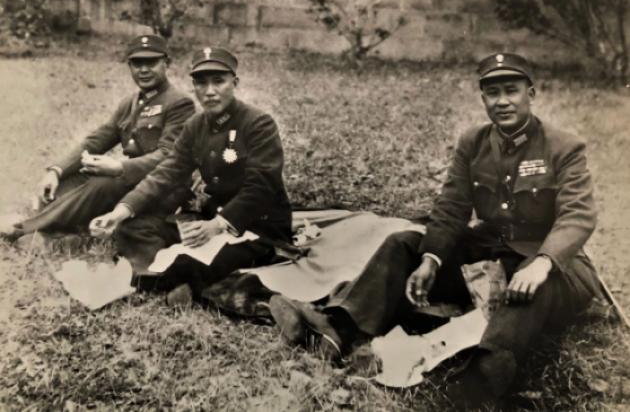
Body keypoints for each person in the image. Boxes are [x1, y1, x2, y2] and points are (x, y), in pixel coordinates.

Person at [269, 53, 603, 407]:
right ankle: (338, 330)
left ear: (531, 93)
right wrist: (432, 259)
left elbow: (578, 215)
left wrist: (544, 262)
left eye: (512, 90)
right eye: (492, 93)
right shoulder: (473, 143)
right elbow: (451, 208)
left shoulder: (563, 146)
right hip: (490, 254)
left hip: (552, 267)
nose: (502, 101)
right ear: (483, 99)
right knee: (405, 243)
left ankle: (480, 381)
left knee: (528, 288)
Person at [89, 46, 292, 307]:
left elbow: (261, 187)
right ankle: (170, 278)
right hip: (209, 221)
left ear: (235, 83)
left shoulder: (258, 124)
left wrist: (217, 225)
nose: (209, 91)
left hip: (256, 227)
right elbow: (167, 172)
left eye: (219, 81)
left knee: (191, 262)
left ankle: (164, 278)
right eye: (201, 83)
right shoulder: (195, 126)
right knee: (132, 228)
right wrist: (119, 211)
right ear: (193, 87)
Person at [5, 35, 195, 240]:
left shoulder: (179, 103)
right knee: (69, 181)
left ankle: (23, 230)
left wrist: (120, 168)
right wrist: (56, 171)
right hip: (132, 181)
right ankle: (65, 232)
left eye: (151, 62)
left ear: (167, 63)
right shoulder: (129, 103)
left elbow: (169, 156)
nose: (143, 70)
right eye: (137, 64)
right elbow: (97, 139)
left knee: (102, 185)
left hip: (163, 188)